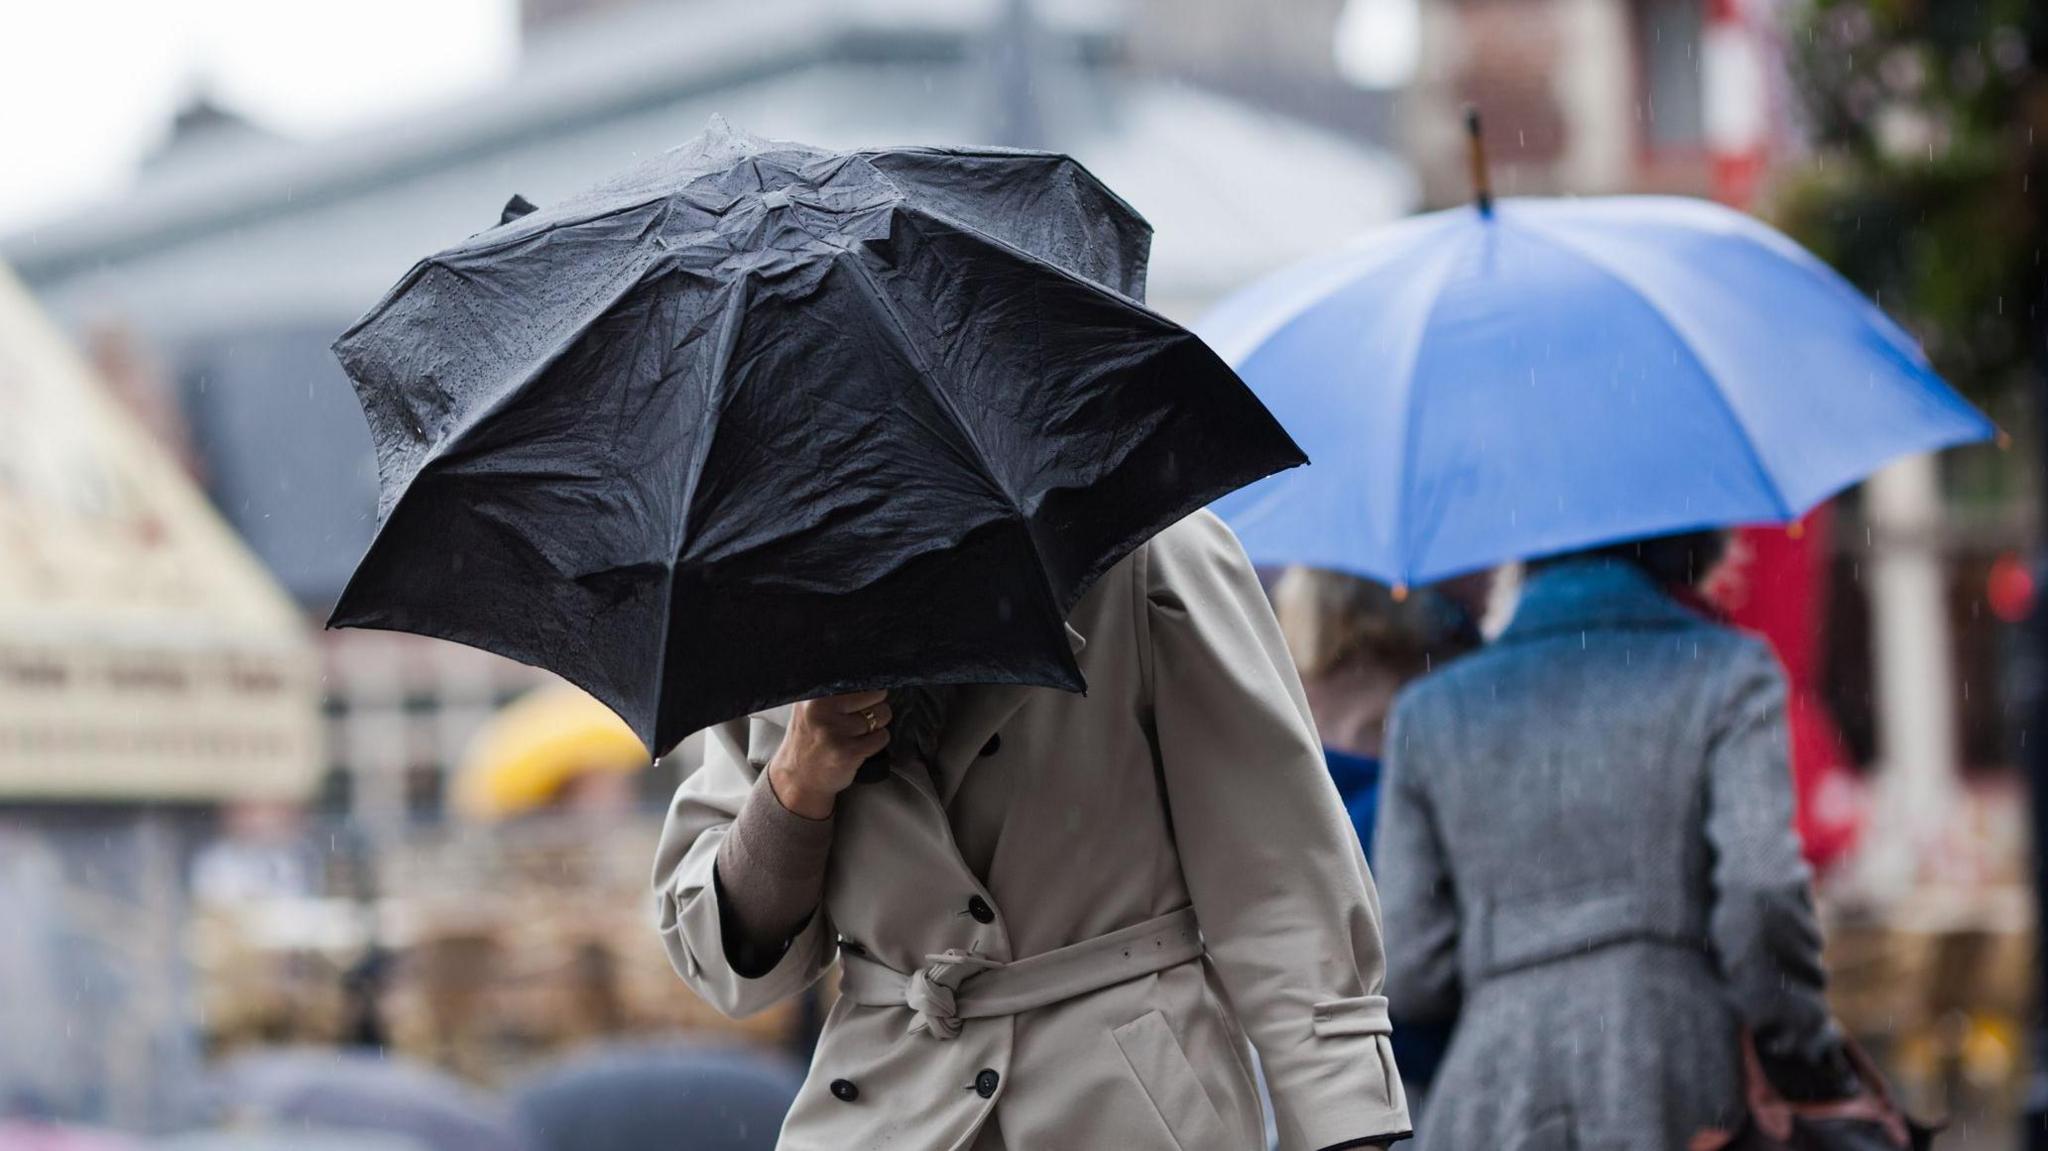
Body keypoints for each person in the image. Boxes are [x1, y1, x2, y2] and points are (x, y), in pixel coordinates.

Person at [653, 511, 1411, 1151]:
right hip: (887, 1115)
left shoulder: (1142, 547)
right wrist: (797, 782)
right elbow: (733, 965)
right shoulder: (760, 600)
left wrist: (1346, 1125)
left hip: (1130, 1105)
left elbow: (1277, 878)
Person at [1375, 531, 1857, 1149]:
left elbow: (1410, 968)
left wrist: (1515, 970)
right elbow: (1761, 892)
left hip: (1492, 1091)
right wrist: (1805, 1053)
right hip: (1677, 1076)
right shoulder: (1727, 672)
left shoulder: (1429, 711)